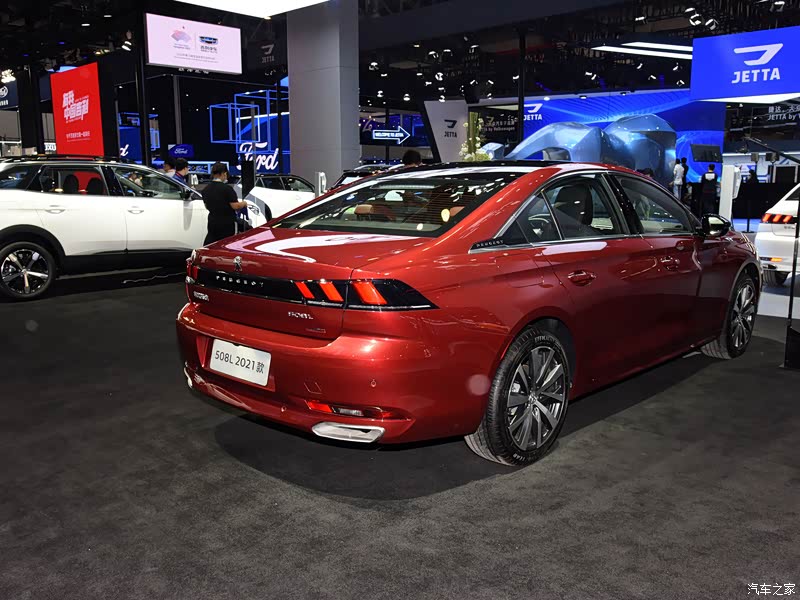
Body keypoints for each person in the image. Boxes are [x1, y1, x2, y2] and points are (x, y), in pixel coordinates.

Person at [202, 162, 249, 245]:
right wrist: (244, 203)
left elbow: (206, 206)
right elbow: (235, 206)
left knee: (213, 243)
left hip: (212, 222)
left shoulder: (206, 189)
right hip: (226, 223)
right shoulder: (227, 189)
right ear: (224, 173)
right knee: (226, 243)